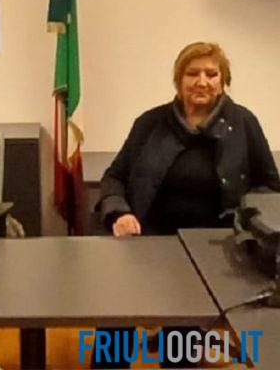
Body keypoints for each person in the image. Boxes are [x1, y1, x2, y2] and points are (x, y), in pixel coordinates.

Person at [95, 42, 280, 368]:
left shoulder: (243, 123)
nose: (202, 81)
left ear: (223, 81)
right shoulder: (150, 123)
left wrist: (248, 221)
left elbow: (269, 187)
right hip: (148, 241)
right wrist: (119, 213)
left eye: (212, 74)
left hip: (216, 248)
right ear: (179, 81)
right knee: (116, 319)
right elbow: (114, 177)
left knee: (179, 339)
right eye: (193, 73)